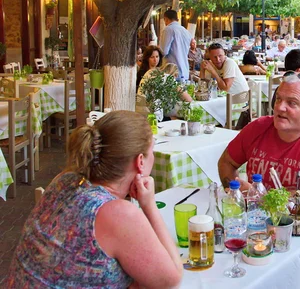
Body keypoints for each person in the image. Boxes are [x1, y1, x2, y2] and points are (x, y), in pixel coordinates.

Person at [7, 112, 183, 288]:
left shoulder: (64, 180)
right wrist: (149, 204)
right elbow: (170, 279)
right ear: (140, 162)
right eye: (151, 150)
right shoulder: (117, 213)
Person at [218, 72, 300, 217]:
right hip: (256, 224)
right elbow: (226, 162)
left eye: (292, 103)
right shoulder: (257, 127)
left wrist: (260, 198)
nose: (280, 107)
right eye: (278, 99)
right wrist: (235, 194)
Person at [160, 9, 192, 80]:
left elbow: (164, 51)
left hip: (172, 70)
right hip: (185, 70)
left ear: (166, 19)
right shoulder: (185, 31)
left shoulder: (168, 30)